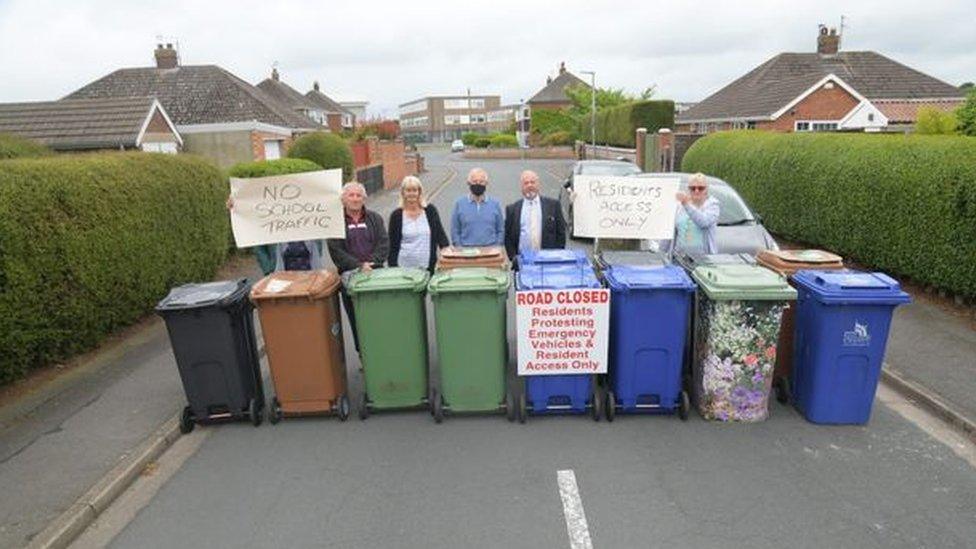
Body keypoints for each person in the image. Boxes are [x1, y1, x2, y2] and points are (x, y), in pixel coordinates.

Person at [326, 181, 389, 352]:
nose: (355, 199)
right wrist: (359, 266)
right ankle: (363, 354)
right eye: (351, 195)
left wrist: (371, 263)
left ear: (364, 198)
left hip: (375, 276)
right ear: (343, 199)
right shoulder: (335, 222)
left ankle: (381, 350)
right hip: (350, 279)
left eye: (358, 195)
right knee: (356, 319)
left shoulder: (375, 218)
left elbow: (384, 243)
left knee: (378, 317)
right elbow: (335, 250)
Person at [225, 198, 323, 273]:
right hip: (279, 281)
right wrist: (236, 209)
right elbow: (257, 243)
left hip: (312, 280)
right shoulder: (271, 224)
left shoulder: (310, 223)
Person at [504, 170, 566, 267]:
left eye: (533, 182)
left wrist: (556, 256)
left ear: (538, 184)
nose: (530, 185)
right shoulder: (512, 209)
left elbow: (561, 234)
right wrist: (513, 257)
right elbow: (508, 237)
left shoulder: (553, 206)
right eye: (526, 183)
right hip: (523, 263)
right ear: (521, 187)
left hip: (548, 261)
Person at [388, 176, 450, 273]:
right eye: (408, 190)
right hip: (403, 268)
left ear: (419, 192)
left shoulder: (430, 211)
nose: (411, 194)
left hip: (427, 267)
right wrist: (392, 268)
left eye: (414, 190)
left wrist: (447, 254)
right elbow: (392, 245)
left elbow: (440, 234)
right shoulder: (396, 216)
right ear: (403, 193)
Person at [450, 167, 504, 247]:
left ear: (486, 183)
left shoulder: (495, 204)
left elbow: (501, 229)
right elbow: (455, 230)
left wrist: (496, 246)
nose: (478, 184)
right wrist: (459, 248)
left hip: (490, 252)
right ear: (469, 183)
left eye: (481, 182)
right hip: (466, 252)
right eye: (474, 181)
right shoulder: (459, 204)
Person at [672, 172, 720, 254]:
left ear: (706, 189)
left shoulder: (713, 206)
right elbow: (671, 232)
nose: (696, 191)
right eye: (692, 188)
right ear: (688, 189)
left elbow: (704, 222)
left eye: (700, 188)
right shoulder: (679, 206)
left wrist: (686, 204)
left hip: (704, 259)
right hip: (679, 258)